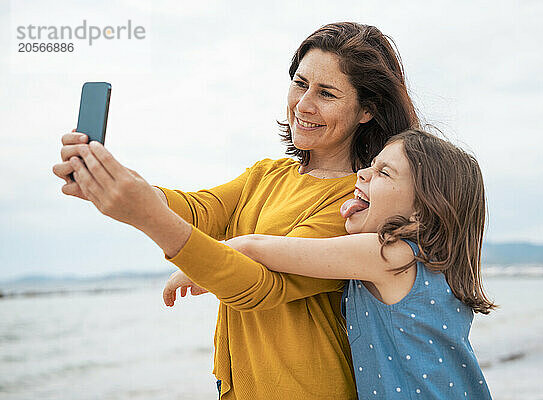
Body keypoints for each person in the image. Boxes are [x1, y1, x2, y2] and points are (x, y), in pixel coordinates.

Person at [52, 22, 418, 399]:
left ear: (367, 110)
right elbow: (199, 209)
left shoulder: (358, 202)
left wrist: (146, 215)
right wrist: (114, 181)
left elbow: (258, 286)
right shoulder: (266, 174)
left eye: (326, 93)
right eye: (300, 83)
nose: (304, 105)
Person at [166, 129, 495, 399]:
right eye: (373, 164)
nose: (363, 173)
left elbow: (267, 249)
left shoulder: (389, 255)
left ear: (422, 210)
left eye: (384, 172)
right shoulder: (434, 266)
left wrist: (200, 264)